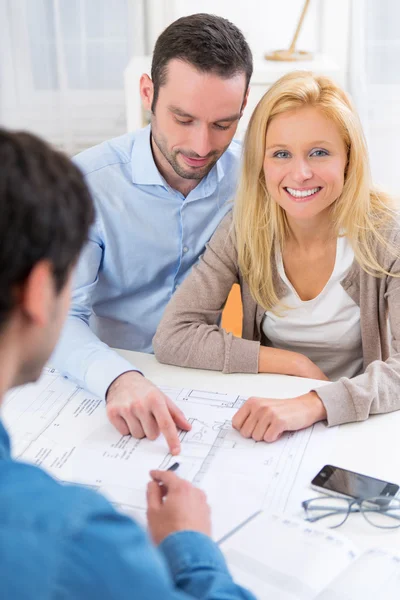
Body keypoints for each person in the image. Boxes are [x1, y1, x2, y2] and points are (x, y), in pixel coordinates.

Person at [0, 129, 255, 600]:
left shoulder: (250, 171)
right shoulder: (77, 536)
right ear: (39, 292)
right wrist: (190, 545)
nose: (200, 142)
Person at [154, 71, 400, 443]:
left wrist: (316, 401)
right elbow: (173, 336)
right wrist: (292, 363)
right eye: (281, 154)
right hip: (271, 416)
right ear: (261, 164)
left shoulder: (386, 233)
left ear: (348, 157)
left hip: (357, 419)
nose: (300, 174)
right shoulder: (244, 228)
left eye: (319, 152)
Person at [51, 13, 253, 455]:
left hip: (207, 382)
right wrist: (117, 378)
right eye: (183, 119)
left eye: (223, 124)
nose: (202, 147)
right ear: (148, 93)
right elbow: (59, 316)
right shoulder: (85, 184)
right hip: (103, 379)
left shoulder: (252, 176)